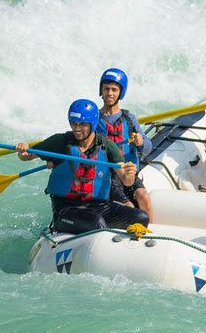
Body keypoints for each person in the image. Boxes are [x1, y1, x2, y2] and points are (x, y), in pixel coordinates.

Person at [15, 99, 149, 234]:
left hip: (101, 208)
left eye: (82, 124)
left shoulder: (107, 145)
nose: (77, 128)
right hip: (67, 210)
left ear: (93, 124)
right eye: (74, 123)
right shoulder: (60, 142)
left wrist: (129, 174)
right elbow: (27, 155)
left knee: (141, 217)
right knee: (96, 223)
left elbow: (126, 181)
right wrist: (23, 149)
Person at [97, 68, 154, 223]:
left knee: (144, 197)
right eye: (106, 89)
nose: (110, 93)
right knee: (128, 206)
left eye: (114, 90)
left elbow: (148, 146)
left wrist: (140, 142)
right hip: (107, 176)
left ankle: (151, 233)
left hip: (129, 172)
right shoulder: (94, 119)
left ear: (120, 93)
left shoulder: (129, 118)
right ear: (101, 90)